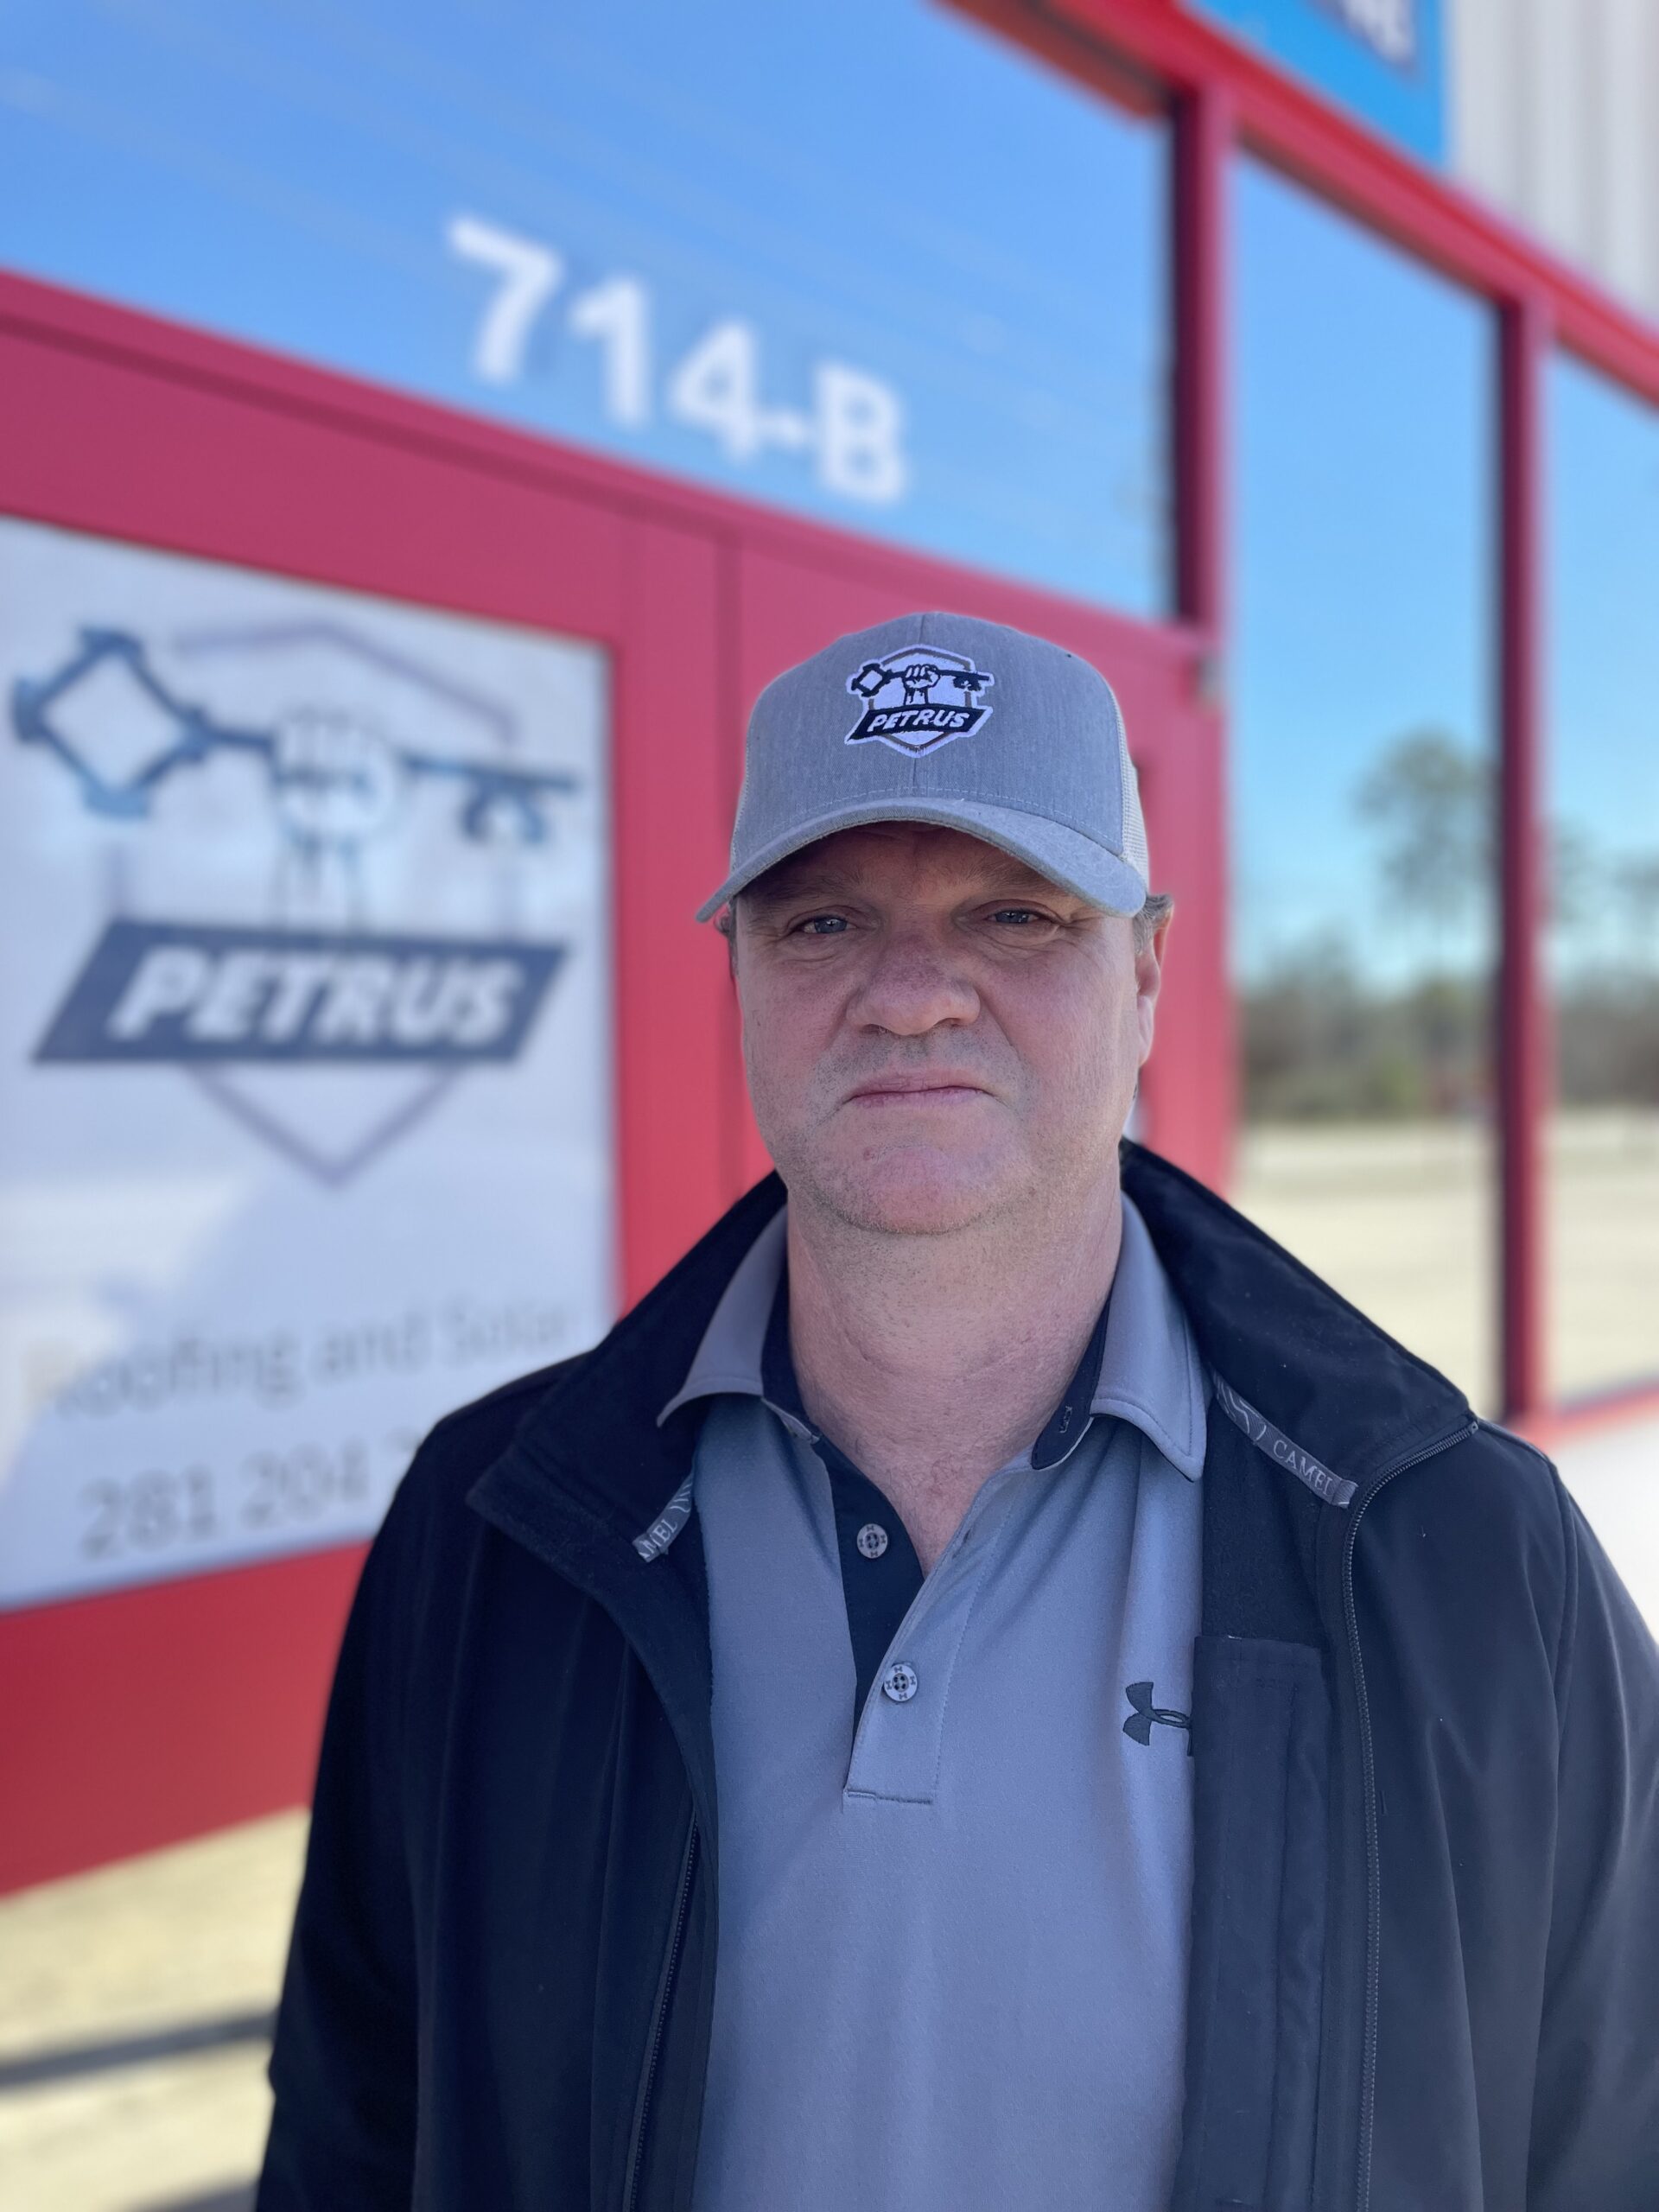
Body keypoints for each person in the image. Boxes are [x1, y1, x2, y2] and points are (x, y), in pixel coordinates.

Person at [257, 612, 1659, 2211]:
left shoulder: (1460, 1552)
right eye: (822, 922)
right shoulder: (492, 1524)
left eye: (1015, 915)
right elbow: (357, 2126)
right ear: (738, 978)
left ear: (1144, 972)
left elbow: (1617, 2132)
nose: (912, 996)